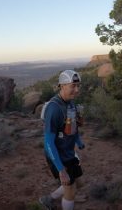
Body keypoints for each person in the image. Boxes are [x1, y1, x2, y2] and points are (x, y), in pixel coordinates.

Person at [39, 69, 85, 210]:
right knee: (70, 191)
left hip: (68, 151)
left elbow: (72, 126)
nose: (77, 90)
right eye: (73, 86)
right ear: (62, 86)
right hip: (57, 155)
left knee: (78, 182)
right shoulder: (54, 109)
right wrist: (60, 169)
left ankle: (48, 199)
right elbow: (48, 143)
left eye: (78, 86)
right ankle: (64, 197)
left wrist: (78, 141)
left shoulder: (70, 103)